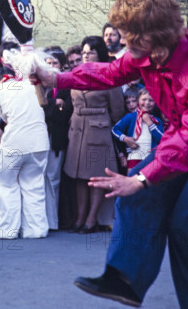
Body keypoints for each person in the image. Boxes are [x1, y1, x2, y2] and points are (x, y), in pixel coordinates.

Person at [32, 0, 188, 308]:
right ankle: (125, 279)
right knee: (134, 197)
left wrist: (141, 178)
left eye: (130, 32)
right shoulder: (144, 54)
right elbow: (108, 73)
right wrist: (54, 78)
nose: (123, 39)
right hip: (184, 138)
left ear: (152, 34)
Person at [63, 36, 125, 234]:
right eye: (84, 52)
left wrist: (106, 126)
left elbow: (117, 111)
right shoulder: (77, 73)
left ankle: (92, 219)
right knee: (79, 176)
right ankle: (80, 217)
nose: (86, 55)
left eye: (90, 51)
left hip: (98, 131)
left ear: (100, 54)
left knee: (96, 177)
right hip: (77, 130)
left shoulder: (110, 76)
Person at [0, 64, 49, 239]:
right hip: (39, 141)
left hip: (14, 141)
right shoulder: (30, 86)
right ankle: (36, 229)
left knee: (6, 184)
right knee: (34, 185)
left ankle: (7, 229)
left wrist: (6, 141)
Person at [42, 47, 73, 231]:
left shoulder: (67, 85)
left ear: (62, 66)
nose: (52, 67)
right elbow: (38, 109)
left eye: (55, 63)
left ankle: (52, 221)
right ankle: (39, 218)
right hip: (40, 135)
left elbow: (66, 112)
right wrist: (54, 104)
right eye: (48, 63)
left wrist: (50, 106)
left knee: (53, 177)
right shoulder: (39, 85)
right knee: (39, 177)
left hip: (58, 137)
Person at [111, 88, 164, 170]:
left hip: (151, 158)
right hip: (134, 156)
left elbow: (162, 139)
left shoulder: (157, 120)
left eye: (151, 100)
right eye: (144, 99)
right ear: (138, 100)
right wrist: (125, 139)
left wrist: (150, 123)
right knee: (131, 180)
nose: (147, 103)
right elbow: (115, 129)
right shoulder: (131, 117)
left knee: (148, 181)